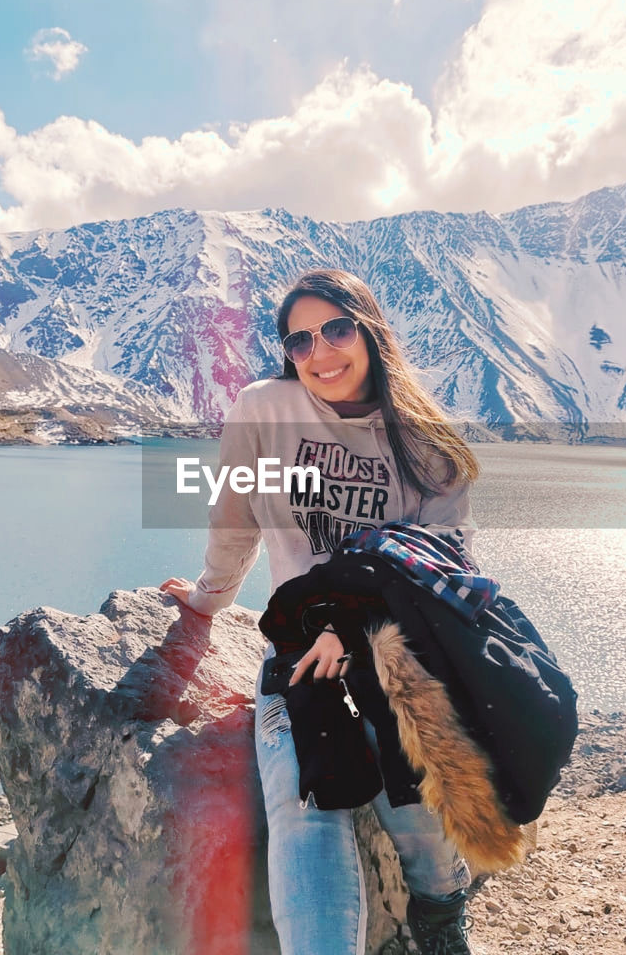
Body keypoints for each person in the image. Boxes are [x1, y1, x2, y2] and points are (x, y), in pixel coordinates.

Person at [160, 268, 482, 955]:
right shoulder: (262, 409)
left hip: (402, 655)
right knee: (304, 806)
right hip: (299, 659)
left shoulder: (427, 445)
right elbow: (235, 517)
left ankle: (441, 901)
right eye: (299, 340)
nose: (320, 352)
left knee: (416, 812)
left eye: (336, 329)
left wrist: (354, 622)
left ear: (369, 330)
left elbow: (451, 570)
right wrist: (209, 598)